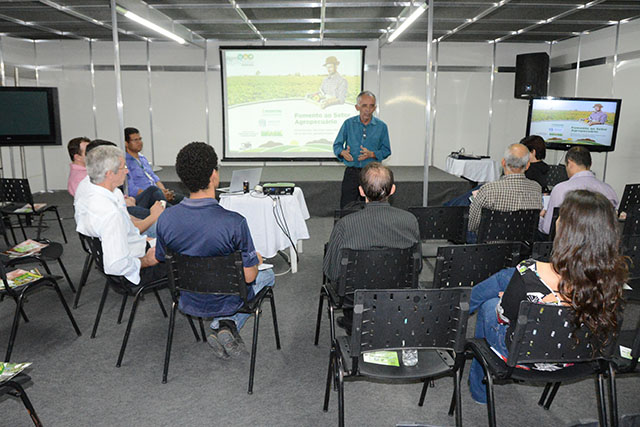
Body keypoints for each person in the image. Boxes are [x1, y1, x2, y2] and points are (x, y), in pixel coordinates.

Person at [468, 189, 627, 404]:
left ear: (568, 231)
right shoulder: (613, 281)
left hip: (523, 356)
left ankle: (479, 391)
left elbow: (504, 318)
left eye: (561, 216)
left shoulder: (530, 271)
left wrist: (508, 302)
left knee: (489, 305)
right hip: (579, 356)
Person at [155, 142, 274, 359]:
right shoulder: (234, 222)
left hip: (188, 298)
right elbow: (249, 277)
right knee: (269, 275)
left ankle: (223, 325)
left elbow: (162, 258)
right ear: (213, 176)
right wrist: (255, 260)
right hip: (229, 300)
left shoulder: (165, 219)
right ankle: (227, 323)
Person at [323, 162, 420, 331]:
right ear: (392, 190)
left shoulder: (345, 225)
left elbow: (332, 271)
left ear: (361, 191)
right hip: (397, 293)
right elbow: (416, 266)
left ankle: (353, 322)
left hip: (354, 298)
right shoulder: (410, 220)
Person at [74, 145, 165, 285]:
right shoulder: (110, 214)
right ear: (110, 174)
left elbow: (124, 231)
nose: (127, 171)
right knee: (188, 252)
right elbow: (116, 265)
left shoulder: (89, 196)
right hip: (132, 270)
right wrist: (146, 261)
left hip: (132, 250)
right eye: (123, 167)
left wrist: (143, 240)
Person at [539, 146, 618, 235]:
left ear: (570, 163)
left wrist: (540, 219)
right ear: (590, 164)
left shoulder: (561, 189)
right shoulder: (609, 190)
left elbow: (548, 229)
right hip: (600, 245)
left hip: (570, 245)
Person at [468, 143, 542, 235]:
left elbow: (472, 225)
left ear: (503, 162)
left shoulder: (488, 189)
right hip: (522, 246)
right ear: (527, 165)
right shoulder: (537, 189)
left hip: (489, 246)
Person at [333, 91, 391, 209]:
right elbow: (337, 146)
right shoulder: (348, 124)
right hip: (352, 173)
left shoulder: (381, 126)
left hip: (372, 174)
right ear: (357, 107)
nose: (367, 109)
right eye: (364, 105)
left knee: (371, 208)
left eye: (371, 106)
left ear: (375, 108)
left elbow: (386, 150)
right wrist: (342, 152)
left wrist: (373, 154)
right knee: (347, 207)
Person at [124, 127, 183, 208]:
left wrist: (164, 191)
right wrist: (159, 194)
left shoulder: (142, 158)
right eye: (135, 140)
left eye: (140, 139)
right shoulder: (125, 162)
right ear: (126, 143)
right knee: (172, 209)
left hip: (158, 193)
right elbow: (132, 190)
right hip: (144, 197)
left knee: (184, 200)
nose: (139, 142)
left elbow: (154, 177)